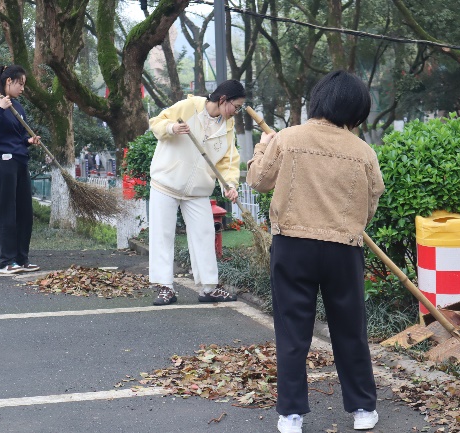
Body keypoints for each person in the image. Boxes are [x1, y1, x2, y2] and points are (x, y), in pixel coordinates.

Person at [246, 70, 385, 433]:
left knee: (292, 332)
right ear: (356, 111)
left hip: (293, 246)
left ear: (319, 100)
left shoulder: (287, 139)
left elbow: (258, 180)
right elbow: (370, 202)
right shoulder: (363, 152)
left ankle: (291, 415)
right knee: (350, 330)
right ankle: (362, 409)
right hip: (343, 250)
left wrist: (262, 146)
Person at [147, 80, 245, 306]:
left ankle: (209, 287)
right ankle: (165, 287)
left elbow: (228, 160)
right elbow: (156, 123)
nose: (236, 112)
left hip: (198, 191)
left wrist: (230, 184)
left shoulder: (227, 126)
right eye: (236, 106)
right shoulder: (188, 107)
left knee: (205, 235)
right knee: (162, 235)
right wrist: (172, 128)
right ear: (223, 99)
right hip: (166, 183)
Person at [0, 64, 41, 275]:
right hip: (3, 163)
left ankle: (22, 259)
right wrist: (0, 109)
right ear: (8, 81)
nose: (22, 88)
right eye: (20, 83)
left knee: (24, 213)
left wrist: (28, 141)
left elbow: (18, 137)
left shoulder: (18, 107)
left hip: (20, 162)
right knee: (6, 212)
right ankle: (6, 261)